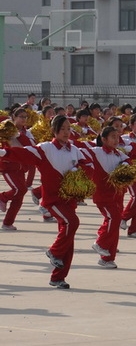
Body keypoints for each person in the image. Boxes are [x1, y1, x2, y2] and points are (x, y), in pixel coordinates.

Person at [0, 115, 93, 288]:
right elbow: (25, 153)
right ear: (54, 130)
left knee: (69, 239)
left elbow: (89, 166)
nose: (66, 132)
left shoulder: (74, 150)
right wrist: (4, 152)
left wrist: (79, 171)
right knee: (72, 222)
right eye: (62, 129)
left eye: (68, 128)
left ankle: (58, 278)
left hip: (69, 200)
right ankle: (53, 251)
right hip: (53, 200)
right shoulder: (46, 148)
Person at [84, 126, 136, 268]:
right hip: (102, 196)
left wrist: (127, 157)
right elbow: (79, 150)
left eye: (117, 137)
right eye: (112, 137)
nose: (116, 140)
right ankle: (100, 242)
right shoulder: (96, 152)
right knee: (114, 219)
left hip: (117, 195)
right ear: (104, 139)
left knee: (114, 224)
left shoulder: (120, 155)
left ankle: (108, 258)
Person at [0, 108, 35, 230]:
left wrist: (19, 136)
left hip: (20, 167)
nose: (23, 119)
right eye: (21, 116)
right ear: (14, 117)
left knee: (20, 196)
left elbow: (30, 146)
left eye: (25, 117)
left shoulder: (27, 132)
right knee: (20, 189)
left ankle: (8, 223)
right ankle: (2, 197)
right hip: (8, 166)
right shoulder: (5, 128)